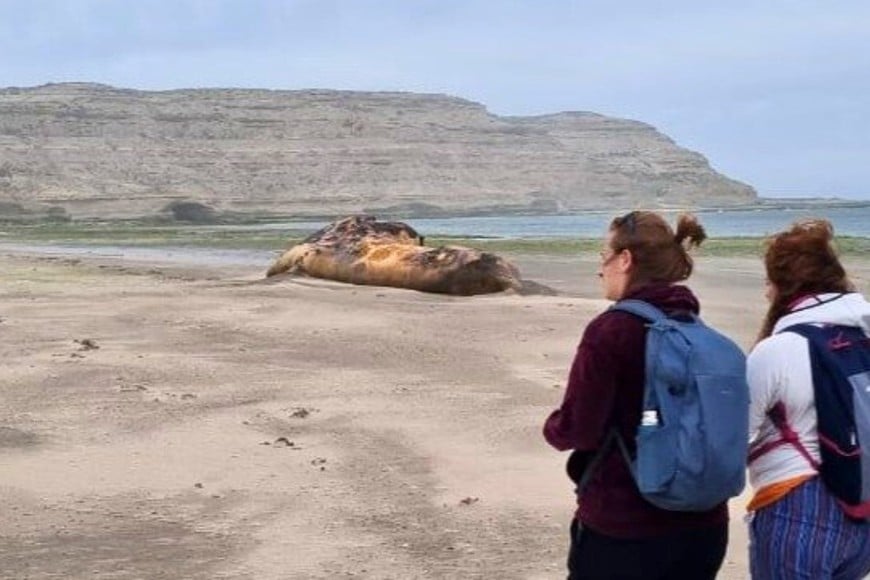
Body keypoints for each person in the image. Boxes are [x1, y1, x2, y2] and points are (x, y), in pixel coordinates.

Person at [543, 210, 728, 580]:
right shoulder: (696, 328)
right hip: (706, 524)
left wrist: (552, 427)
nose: (600, 269)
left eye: (604, 257)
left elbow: (579, 430)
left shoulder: (611, 330)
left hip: (625, 524)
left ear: (625, 260)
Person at [746, 219, 870, 579]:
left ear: (785, 286)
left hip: (797, 510)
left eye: (768, 281)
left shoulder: (779, 349)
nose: (765, 293)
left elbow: (735, 435)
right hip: (861, 509)